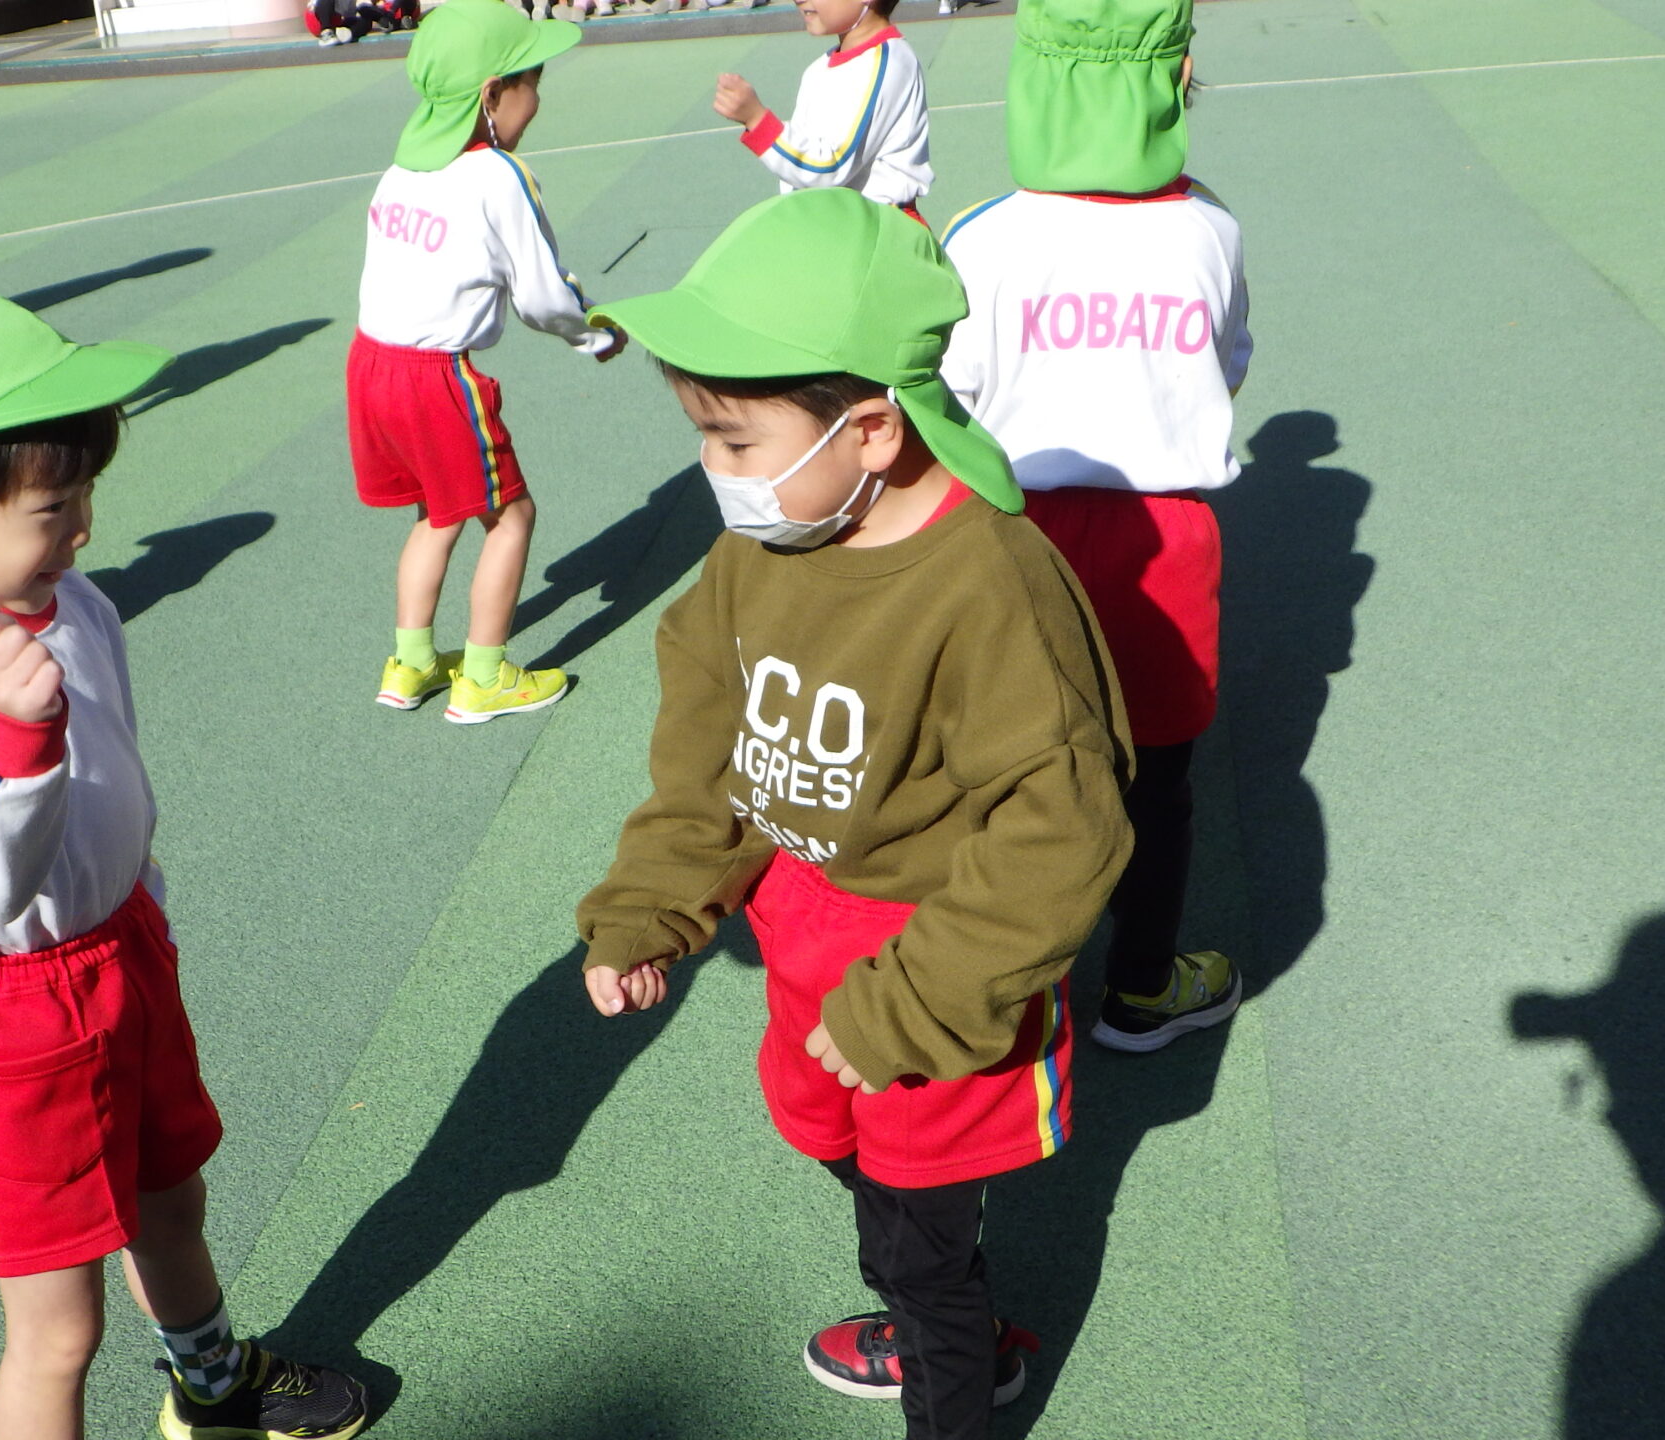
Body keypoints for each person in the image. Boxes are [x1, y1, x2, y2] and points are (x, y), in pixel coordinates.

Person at [576, 188, 1133, 1440]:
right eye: (702, 437)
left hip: (936, 957)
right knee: (844, 1155)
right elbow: (709, 752)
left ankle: (955, 1363)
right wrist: (652, 905)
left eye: (734, 442)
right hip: (805, 932)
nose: (713, 473)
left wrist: (916, 1002)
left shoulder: (991, 584)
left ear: (872, 430)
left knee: (920, 1252)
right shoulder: (759, 550)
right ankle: (936, 1310)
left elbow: (1063, 827)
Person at [0, 284, 371, 1440]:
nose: (83, 529)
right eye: (52, 505)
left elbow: (115, 777)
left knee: (172, 1201)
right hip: (12, 1015)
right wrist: (8, 744)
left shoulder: (68, 601)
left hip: (122, 955)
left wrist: (141, 906)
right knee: (57, 1329)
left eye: (84, 496)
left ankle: (211, 1384)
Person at [939, 0, 1248, 1053]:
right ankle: (1143, 986)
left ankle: (995, 987)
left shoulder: (981, 234)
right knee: (1157, 783)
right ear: (1174, 78)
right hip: (1165, 542)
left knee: (1010, 770)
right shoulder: (1210, 227)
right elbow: (1227, 365)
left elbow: (947, 395)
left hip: (1012, 536)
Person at [353, 0, 622, 722]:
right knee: (511, 517)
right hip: (437, 378)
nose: (540, 97)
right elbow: (543, 295)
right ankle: (484, 675)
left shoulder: (402, 168)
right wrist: (593, 334)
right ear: (492, 94)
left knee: (437, 512)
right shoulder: (498, 175)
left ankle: (410, 664)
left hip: (371, 364)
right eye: (534, 80)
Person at [709, 0, 929, 217]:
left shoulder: (886, 63)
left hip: (877, 229)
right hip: (834, 225)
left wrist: (757, 121)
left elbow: (829, 167)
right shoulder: (819, 68)